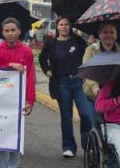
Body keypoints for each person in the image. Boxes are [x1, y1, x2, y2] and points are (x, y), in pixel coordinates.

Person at [0, 17, 35, 168]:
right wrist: (9, 66)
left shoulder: (27, 52)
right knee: (2, 135)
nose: (10, 33)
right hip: (1, 101)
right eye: (6, 31)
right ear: (2, 32)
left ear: (19, 31)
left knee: (16, 136)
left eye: (13, 30)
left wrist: (30, 100)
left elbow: (30, 78)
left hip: (19, 102)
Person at [40, 16, 95, 158]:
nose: (64, 27)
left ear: (70, 27)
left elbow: (88, 55)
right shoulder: (51, 44)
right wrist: (47, 70)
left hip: (79, 81)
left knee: (86, 114)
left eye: (66, 24)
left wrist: (90, 45)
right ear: (57, 26)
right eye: (61, 24)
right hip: (61, 83)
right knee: (66, 116)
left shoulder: (77, 41)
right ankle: (68, 147)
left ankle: (88, 145)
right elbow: (42, 57)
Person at [82, 21, 120, 105]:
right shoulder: (91, 50)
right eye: (105, 32)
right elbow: (87, 71)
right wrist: (94, 87)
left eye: (112, 32)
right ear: (100, 35)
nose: (108, 35)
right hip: (95, 94)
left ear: (116, 35)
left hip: (115, 95)